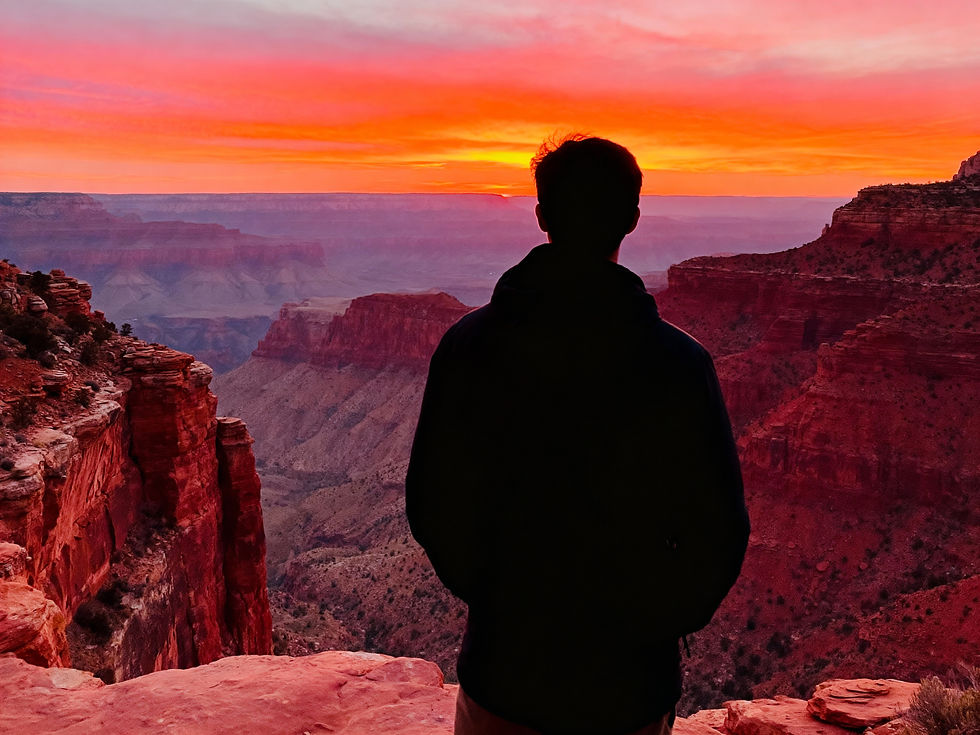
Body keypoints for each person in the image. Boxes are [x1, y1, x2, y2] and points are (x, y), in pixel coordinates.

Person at [406, 135, 750, 735]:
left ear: (542, 215)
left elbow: (433, 504)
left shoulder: (469, 347)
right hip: (629, 689)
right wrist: (656, 619)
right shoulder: (677, 363)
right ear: (633, 219)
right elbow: (720, 527)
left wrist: (499, 598)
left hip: (503, 676)